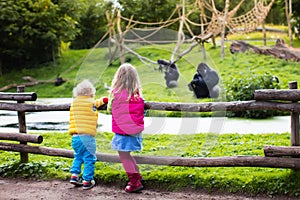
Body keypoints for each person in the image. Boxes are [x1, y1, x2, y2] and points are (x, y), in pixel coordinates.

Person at [107, 63, 144, 193]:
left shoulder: (116, 96)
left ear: (119, 78)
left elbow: (112, 111)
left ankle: (134, 181)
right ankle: (137, 175)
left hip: (122, 133)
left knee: (124, 156)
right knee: (126, 155)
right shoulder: (138, 96)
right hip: (134, 133)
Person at [68, 79, 108, 190]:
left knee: (78, 156)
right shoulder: (92, 102)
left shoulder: (74, 103)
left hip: (75, 137)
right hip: (88, 137)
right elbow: (103, 100)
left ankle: (74, 176)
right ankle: (87, 180)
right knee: (89, 158)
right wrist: (106, 98)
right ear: (91, 93)